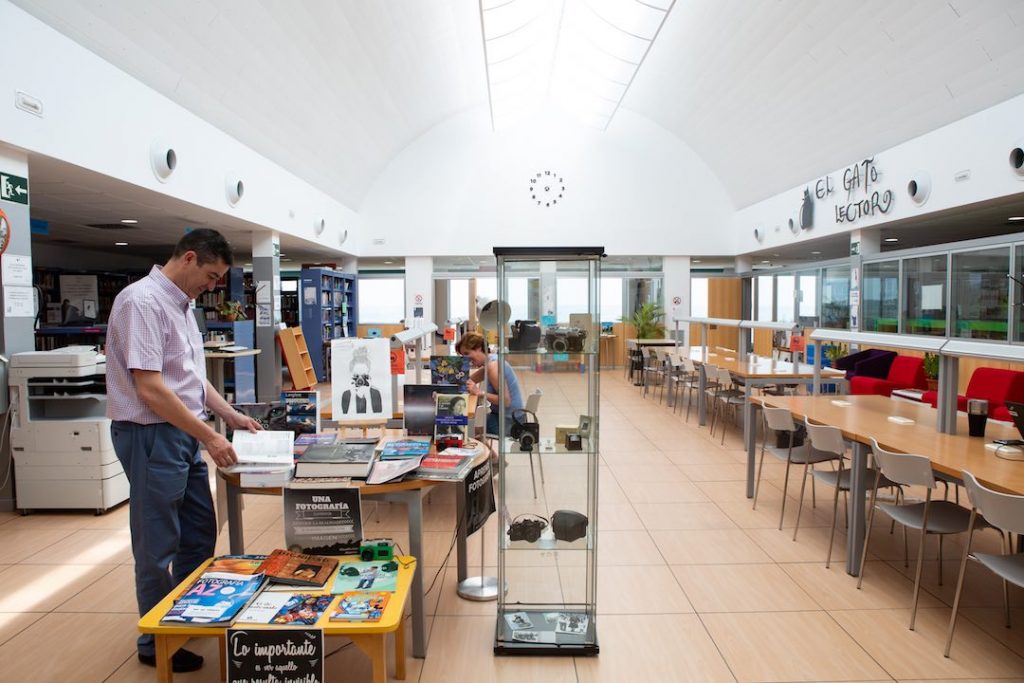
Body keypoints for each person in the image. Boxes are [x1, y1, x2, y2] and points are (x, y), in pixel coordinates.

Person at [106, 228, 262, 673]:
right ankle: (156, 641)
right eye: (211, 276)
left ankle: (184, 613)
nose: (212, 287)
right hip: (152, 434)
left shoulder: (181, 304)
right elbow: (151, 388)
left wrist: (229, 416)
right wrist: (210, 437)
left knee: (198, 529)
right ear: (189, 258)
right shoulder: (142, 302)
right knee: (157, 541)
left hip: (183, 433)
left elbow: (190, 376)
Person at [457, 332, 524, 435]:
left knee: (468, 431)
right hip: (505, 416)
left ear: (479, 348)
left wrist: (479, 392)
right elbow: (468, 381)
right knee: (471, 429)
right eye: (463, 356)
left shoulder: (493, 367)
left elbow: (506, 401)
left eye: (467, 353)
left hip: (510, 421)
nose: (465, 358)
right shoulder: (490, 361)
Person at [340, 345, 383, 415]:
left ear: (369, 375)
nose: (360, 381)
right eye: (356, 376)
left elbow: (377, 416)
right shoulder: (347, 395)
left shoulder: (375, 394)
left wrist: (368, 395)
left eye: (364, 376)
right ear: (351, 375)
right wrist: (353, 395)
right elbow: (345, 416)